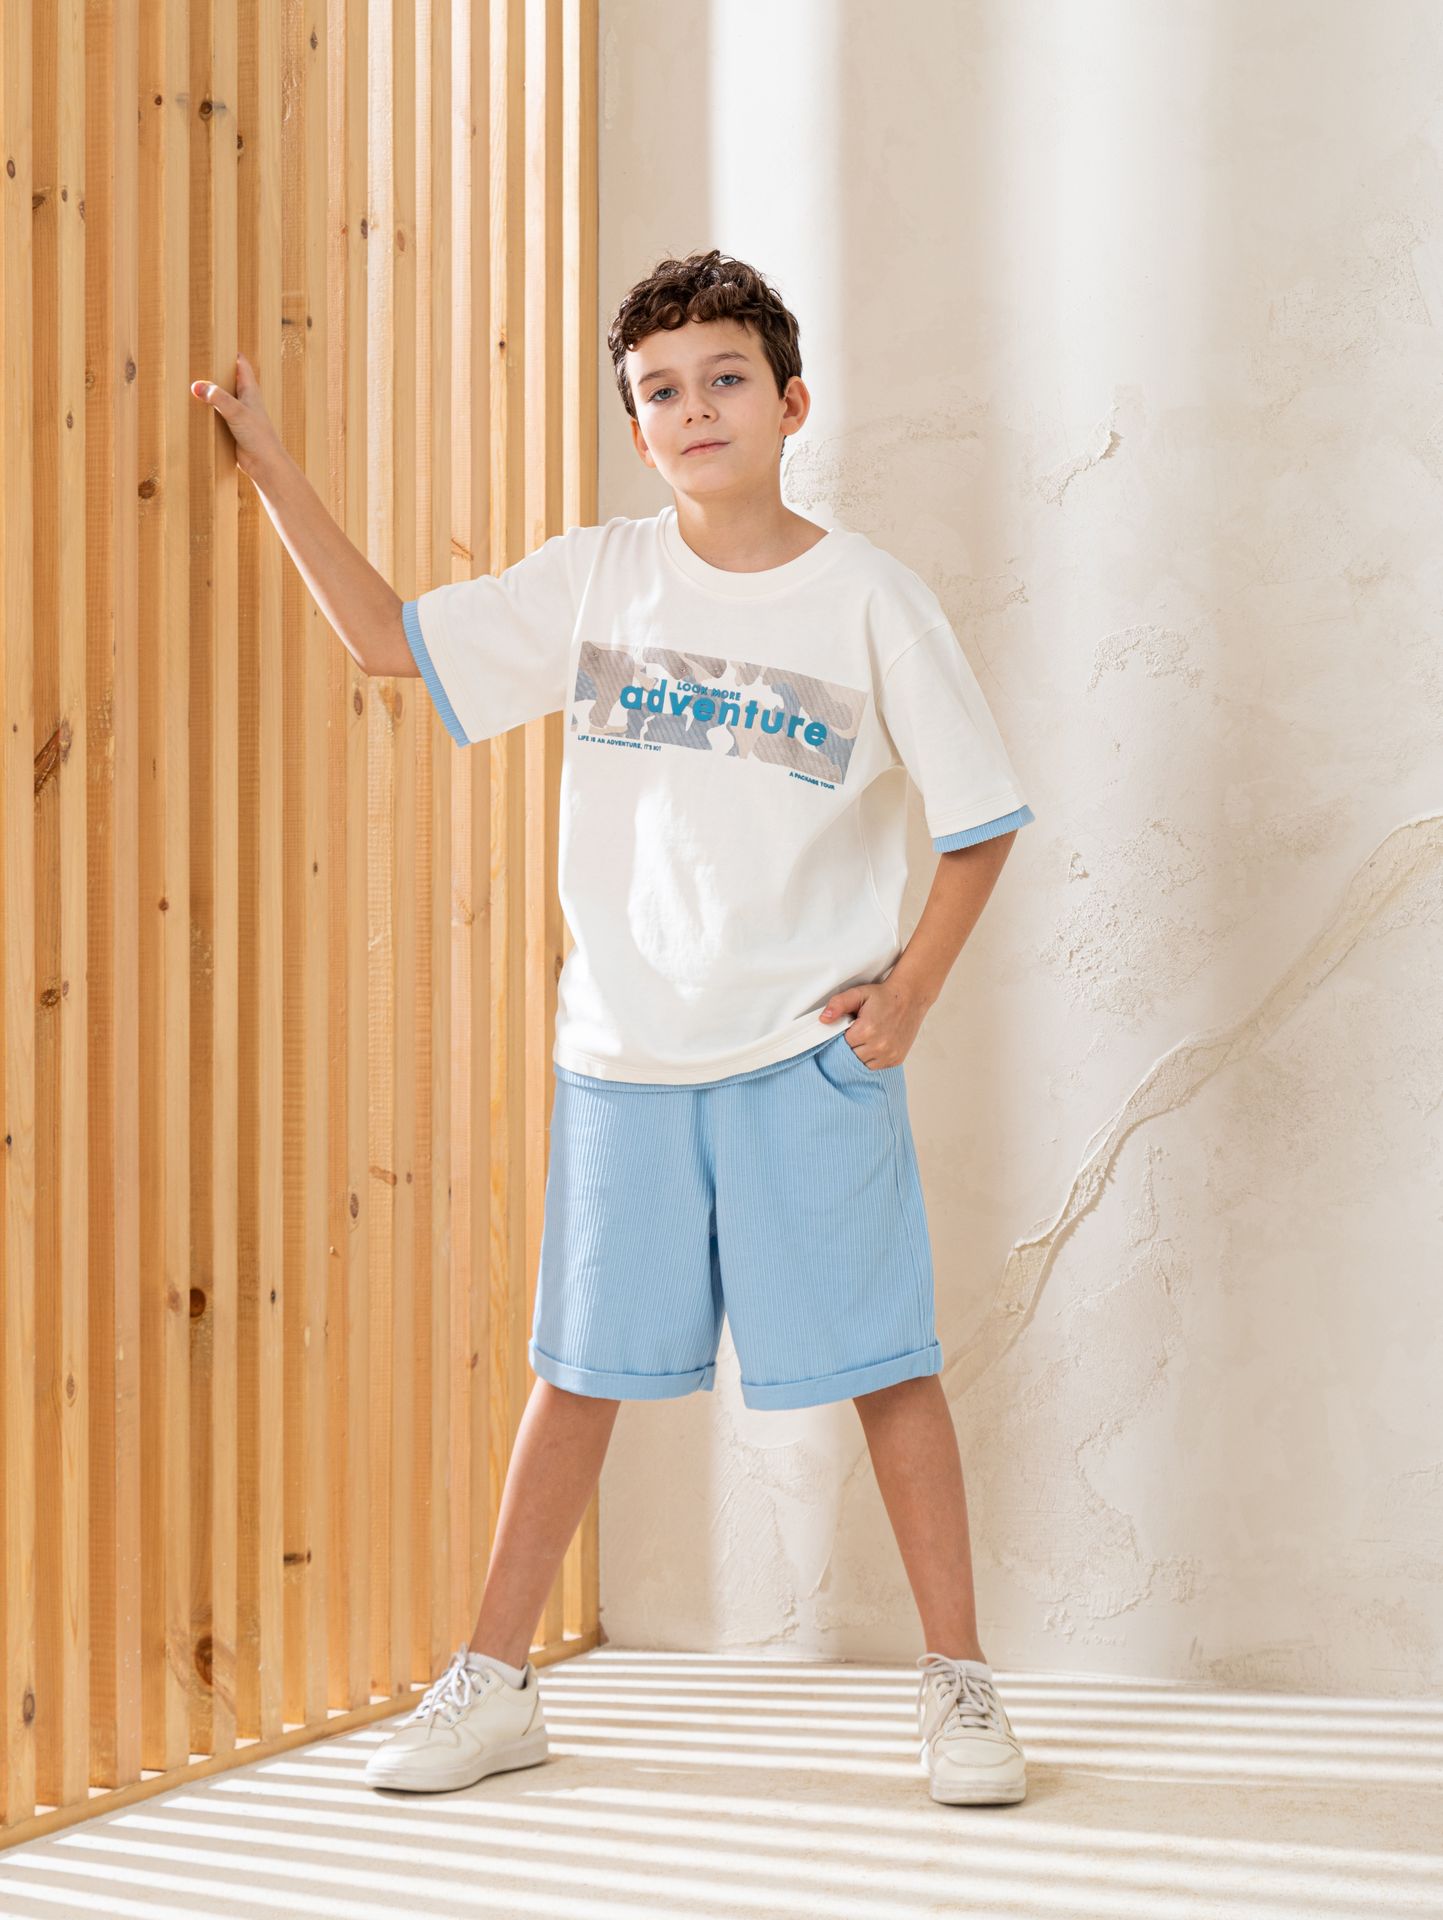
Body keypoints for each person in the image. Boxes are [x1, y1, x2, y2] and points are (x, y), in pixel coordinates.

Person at [191, 247, 1033, 1808]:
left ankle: (961, 1685)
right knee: (576, 1376)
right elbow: (389, 640)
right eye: (659, 392)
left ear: (791, 404)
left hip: (805, 1060)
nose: (694, 409)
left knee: (888, 1370)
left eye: (726, 380)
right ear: (636, 428)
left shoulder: (869, 599)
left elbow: (981, 819)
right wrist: (269, 463)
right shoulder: (596, 579)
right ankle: (494, 1681)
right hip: (623, 1064)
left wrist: (909, 993)